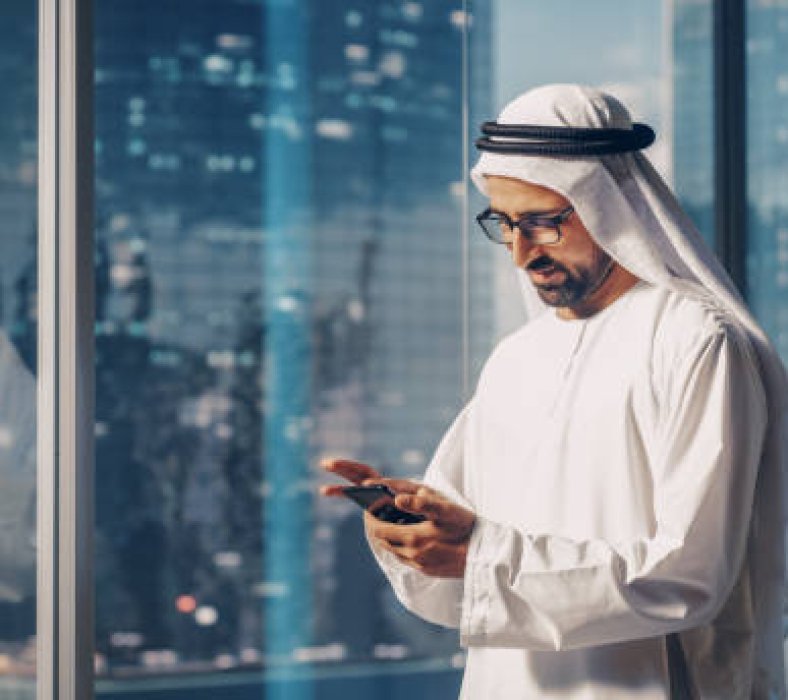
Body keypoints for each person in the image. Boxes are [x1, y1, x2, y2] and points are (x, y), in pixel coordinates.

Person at [321, 84, 787, 698]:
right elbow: (463, 564)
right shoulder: (517, 358)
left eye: (541, 223)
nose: (520, 253)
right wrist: (412, 525)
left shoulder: (696, 341)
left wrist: (479, 554)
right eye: (505, 224)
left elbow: (690, 575)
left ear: (608, 204)